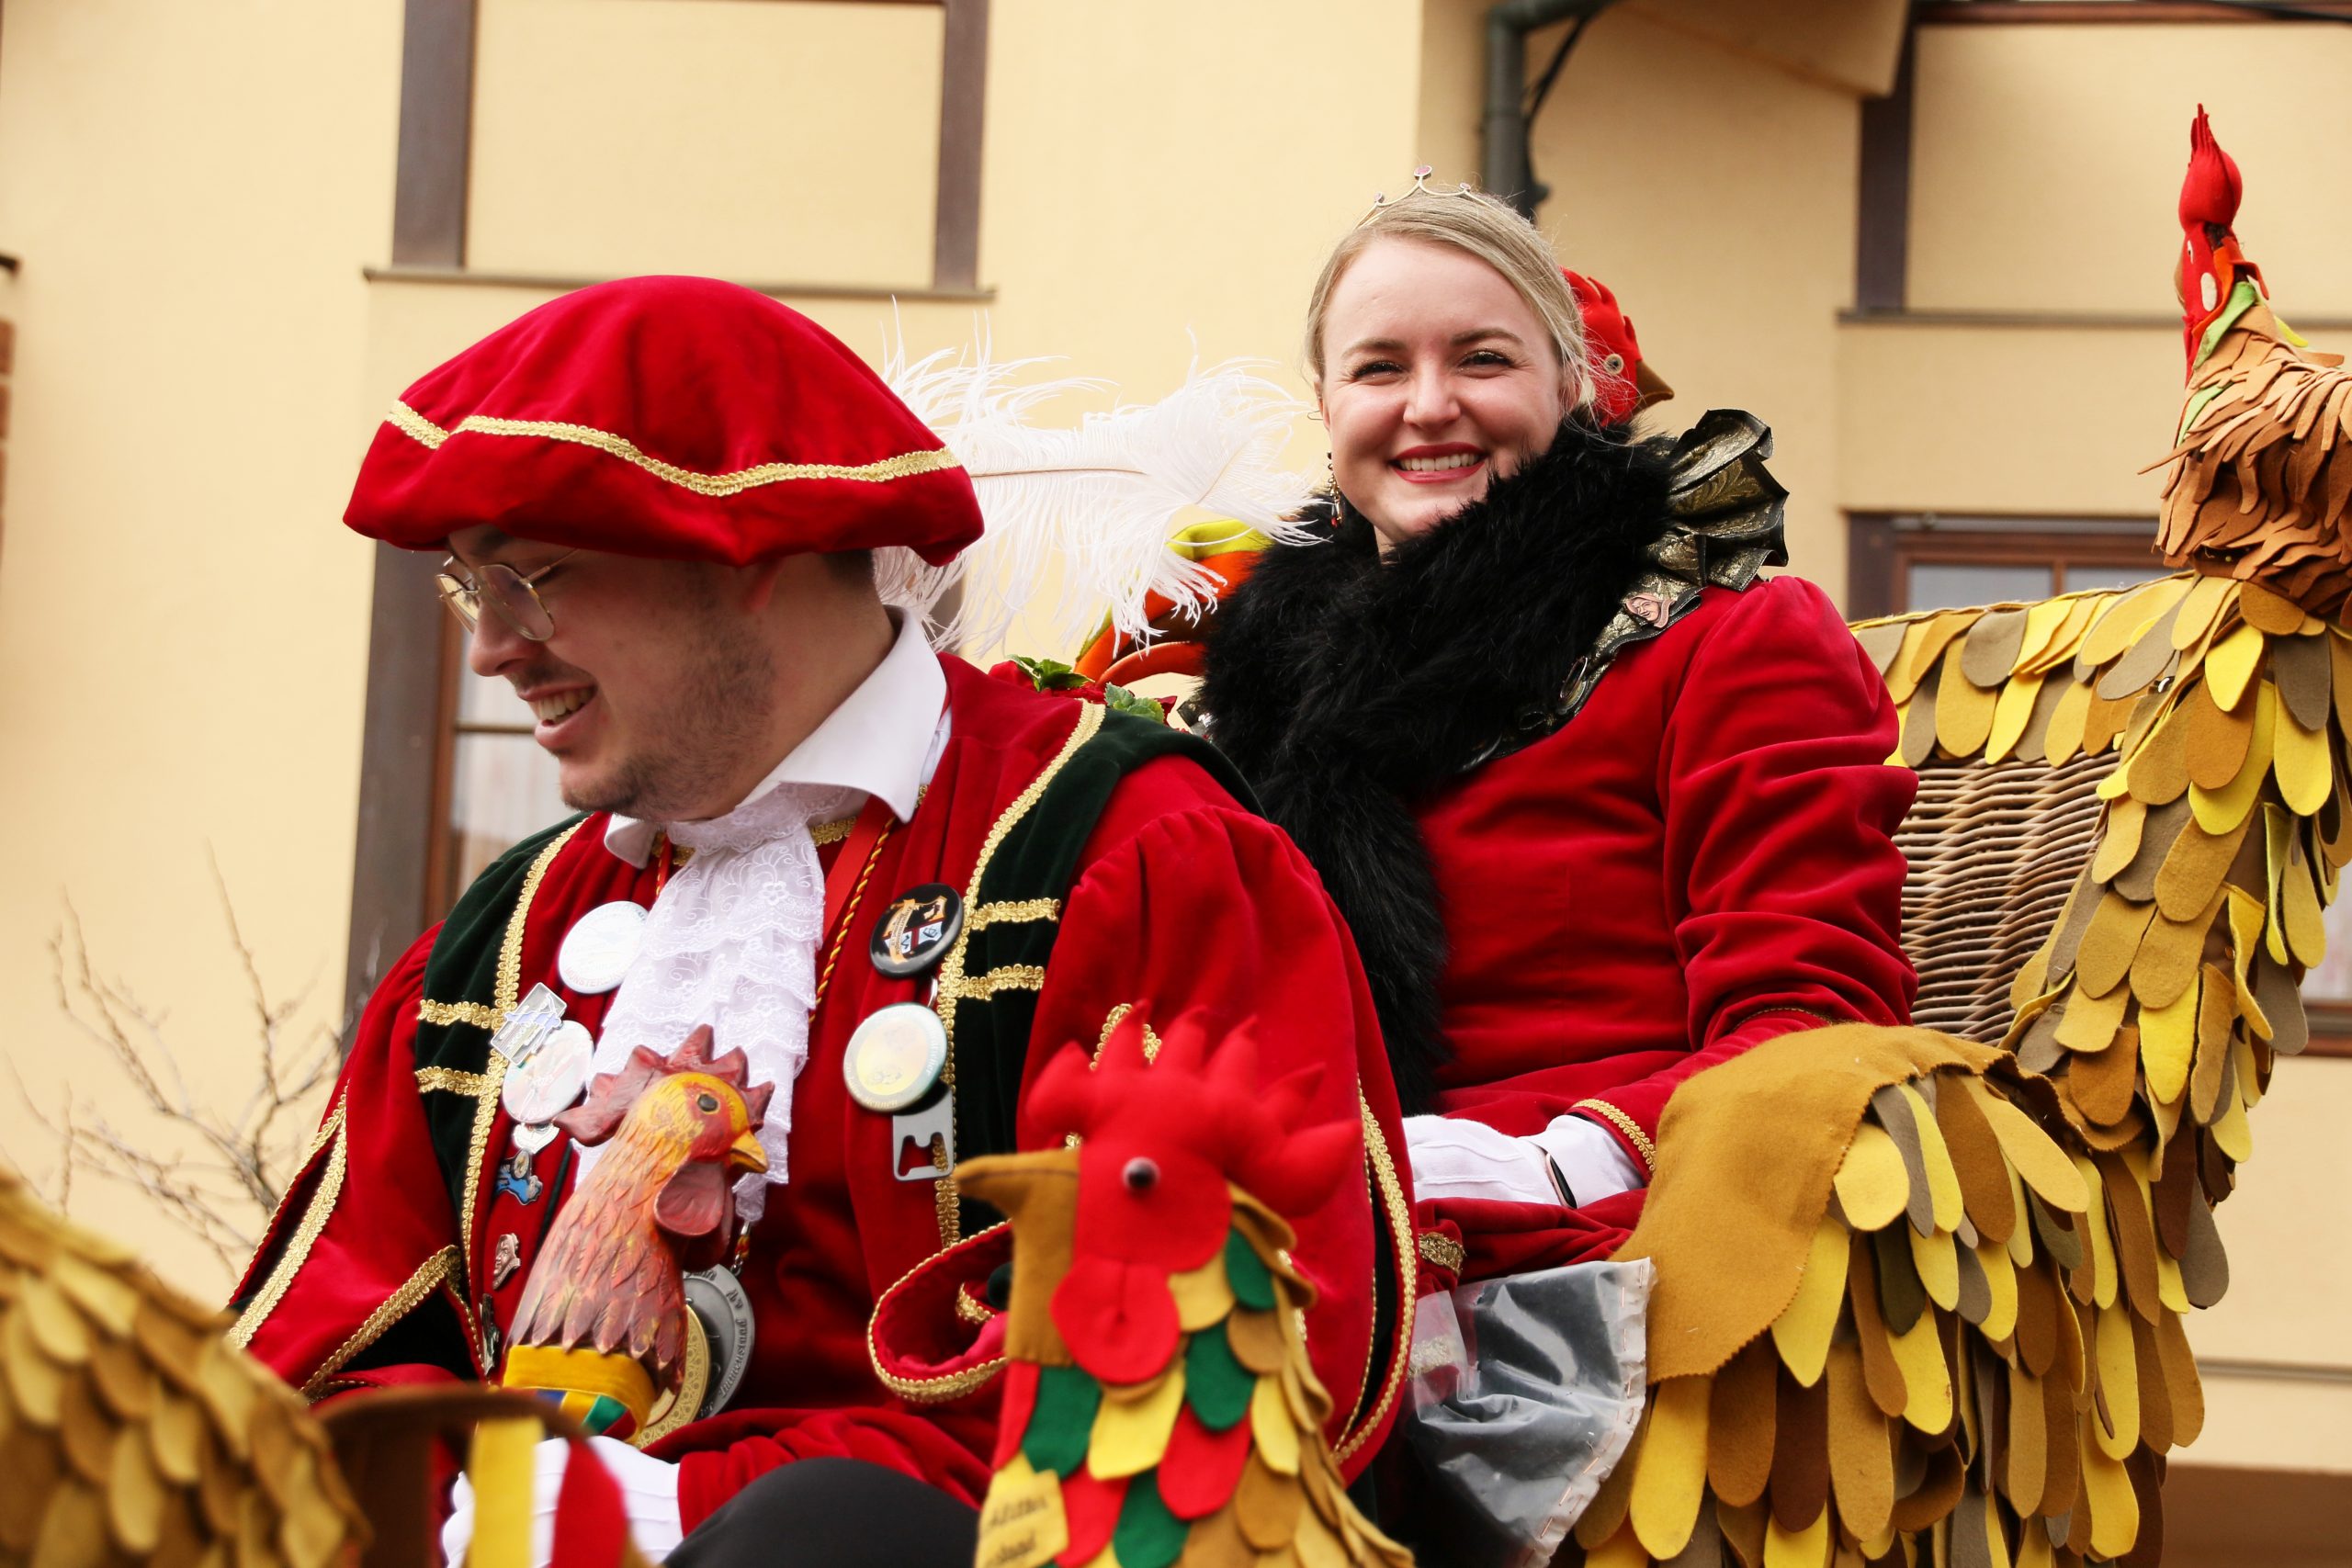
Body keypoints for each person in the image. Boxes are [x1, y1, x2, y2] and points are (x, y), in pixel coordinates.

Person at [228, 276, 1414, 1565]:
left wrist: (684, 1513)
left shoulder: (1122, 853)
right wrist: (475, 1501)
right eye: (473, 591)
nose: (493, 649)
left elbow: (1209, 1387)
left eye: (533, 577)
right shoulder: (498, 939)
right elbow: (318, 1367)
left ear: (752, 550)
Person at [1197, 181, 1917, 1283]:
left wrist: (1562, 1161)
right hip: (1291, 1233)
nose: (1428, 405)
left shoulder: (1729, 640)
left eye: (1482, 359)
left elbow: (1811, 1023)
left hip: (1616, 1251)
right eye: (1378, 368)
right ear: (1326, 407)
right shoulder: (1253, 686)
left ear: (1573, 382)